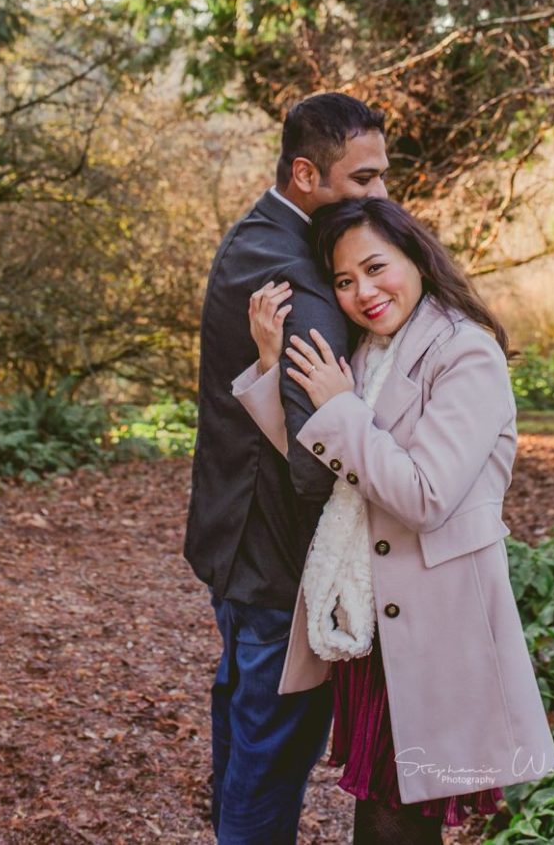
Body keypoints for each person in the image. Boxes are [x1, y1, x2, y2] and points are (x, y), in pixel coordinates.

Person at [232, 198, 554, 845]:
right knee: (385, 814)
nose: (362, 292)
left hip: (434, 626)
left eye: (375, 267)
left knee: (393, 817)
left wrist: (342, 407)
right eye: (344, 281)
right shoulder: (376, 351)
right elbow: (333, 467)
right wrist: (274, 367)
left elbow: (423, 493)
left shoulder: (465, 354)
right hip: (377, 618)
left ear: (415, 255)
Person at [183, 93, 389, 844]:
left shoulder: (261, 234)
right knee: (274, 747)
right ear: (306, 174)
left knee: (247, 719)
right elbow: (316, 459)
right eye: (362, 180)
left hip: (238, 540)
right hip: (275, 552)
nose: (380, 196)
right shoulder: (296, 279)